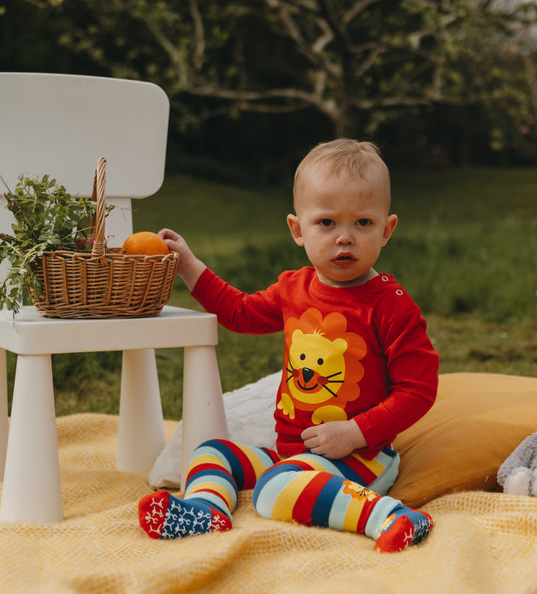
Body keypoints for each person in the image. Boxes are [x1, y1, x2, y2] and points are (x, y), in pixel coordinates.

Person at [138, 139, 439, 552]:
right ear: (298, 230)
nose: (345, 238)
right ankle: (206, 511)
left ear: (386, 230)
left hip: (360, 458)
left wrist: (355, 433)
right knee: (212, 453)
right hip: (291, 454)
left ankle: (392, 516)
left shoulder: (391, 306)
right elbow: (240, 313)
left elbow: (418, 390)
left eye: (363, 223)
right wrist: (190, 267)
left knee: (272, 490)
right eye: (327, 223)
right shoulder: (294, 289)